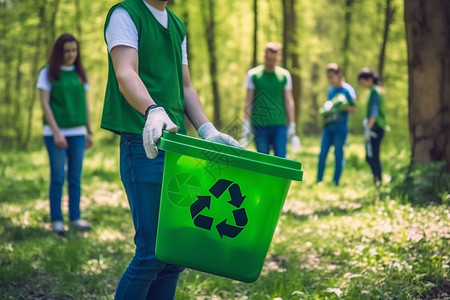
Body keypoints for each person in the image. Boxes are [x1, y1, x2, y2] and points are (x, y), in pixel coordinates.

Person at [102, 0, 240, 299]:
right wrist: (152, 109)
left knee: (174, 256)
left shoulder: (177, 25)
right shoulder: (126, 14)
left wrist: (207, 130)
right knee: (152, 253)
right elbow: (125, 72)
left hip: (179, 145)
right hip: (143, 141)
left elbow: (186, 87)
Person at [36, 34, 93, 235]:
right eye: (67, 50)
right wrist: (57, 132)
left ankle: (75, 217)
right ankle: (56, 220)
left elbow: (85, 104)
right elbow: (44, 103)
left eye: (74, 50)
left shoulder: (80, 73)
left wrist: (90, 130)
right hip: (54, 134)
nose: (71, 54)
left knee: (75, 178)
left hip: (78, 132)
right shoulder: (47, 73)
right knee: (58, 176)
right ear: (59, 51)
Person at [241, 42, 298, 158]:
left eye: (274, 59)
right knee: (263, 160)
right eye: (269, 59)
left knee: (281, 159)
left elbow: (288, 101)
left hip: (279, 124)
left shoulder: (284, 75)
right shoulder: (253, 75)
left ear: (279, 59)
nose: (271, 62)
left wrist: (292, 124)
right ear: (264, 57)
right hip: (259, 124)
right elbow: (249, 100)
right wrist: (246, 123)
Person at [317, 63, 357, 186]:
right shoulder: (331, 90)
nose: (330, 79)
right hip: (329, 127)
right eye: (328, 77)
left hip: (341, 127)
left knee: (338, 154)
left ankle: (336, 181)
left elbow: (354, 109)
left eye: (332, 76)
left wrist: (342, 106)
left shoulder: (348, 90)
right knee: (323, 153)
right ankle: (319, 180)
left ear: (339, 74)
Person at [358, 68, 387, 187]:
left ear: (369, 79)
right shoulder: (378, 90)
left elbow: (374, 112)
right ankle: (377, 179)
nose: (362, 85)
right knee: (373, 156)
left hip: (375, 128)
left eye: (362, 82)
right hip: (378, 127)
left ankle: (378, 180)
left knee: (372, 156)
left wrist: (368, 128)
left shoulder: (375, 91)